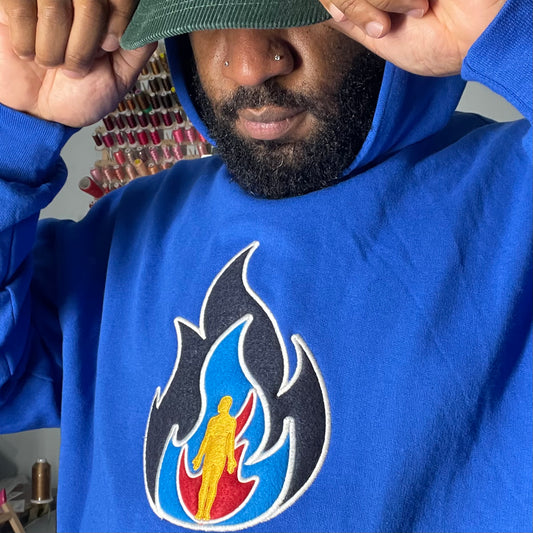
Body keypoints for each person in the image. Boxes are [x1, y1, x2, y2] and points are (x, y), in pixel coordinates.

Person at [0, 0, 530, 531]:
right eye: (205, 13)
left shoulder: (514, 198)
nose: (250, 65)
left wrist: (509, 32)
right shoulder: (117, 237)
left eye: (293, 4)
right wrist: (13, 127)